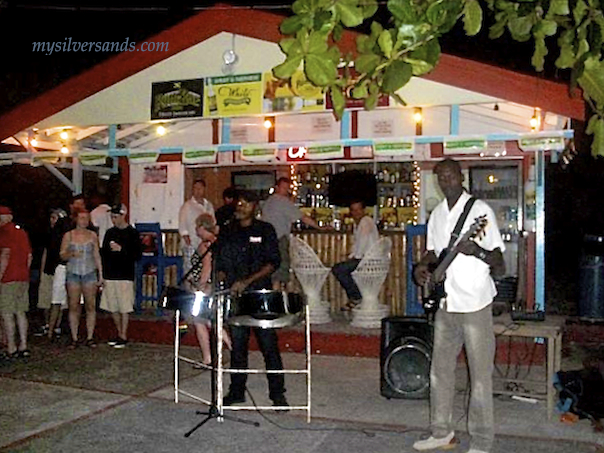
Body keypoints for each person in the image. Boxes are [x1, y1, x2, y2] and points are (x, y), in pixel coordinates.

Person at [412, 158, 505, 453]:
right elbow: (433, 251)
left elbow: (500, 265)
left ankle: (482, 441)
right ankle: (442, 432)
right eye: (441, 177)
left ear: (461, 177)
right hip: (446, 302)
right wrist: (421, 267)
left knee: (479, 377)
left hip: (475, 303)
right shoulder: (438, 214)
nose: (446, 181)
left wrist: (476, 250)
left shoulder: (480, 211)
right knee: (439, 371)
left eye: (450, 176)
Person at [215, 191, 287, 407]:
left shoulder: (265, 230)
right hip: (236, 296)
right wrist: (221, 279)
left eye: (246, 203)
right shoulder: (228, 231)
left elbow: (273, 262)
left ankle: (277, 393)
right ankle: (236, 391)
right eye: (239, 202)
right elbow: (222, 262)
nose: (241, 206)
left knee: (269, 346)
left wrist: (247, 281)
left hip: (259, 295)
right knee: (238, 347)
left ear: (255, 206)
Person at [261, 177, 325, 289]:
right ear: (277, 187)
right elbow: (303, 217)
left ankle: (271, 297)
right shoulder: (283, 201)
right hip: (279, 239)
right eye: (284, 188)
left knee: (269, 270)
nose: (286, 191)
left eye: (287, 188)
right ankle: (277, 299)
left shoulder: (268, 201)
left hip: (266, 240)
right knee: (280, 271)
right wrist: (319, 227)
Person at [184, 213, 231, 365]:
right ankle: (229, 348)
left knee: (200, 321)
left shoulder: (206, 245)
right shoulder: (215, 241)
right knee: (211, 320)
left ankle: (209, 357)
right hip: (213, 285)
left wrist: (201, 286)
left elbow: (207, 266)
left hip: (205, 286)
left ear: (202, 227)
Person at [100, 204, 142, 349]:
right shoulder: (109, 232)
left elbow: (137, 255)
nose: (113, 219)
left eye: (116, 216)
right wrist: (103, 275)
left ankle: (123, 334)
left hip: (125, 274)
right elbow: (103, 254)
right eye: (112, 216)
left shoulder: (132, 233)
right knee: (113, 306)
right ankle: (119, 332)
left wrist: (122, 249)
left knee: (124, 306)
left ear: (123, 216)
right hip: (110, 274)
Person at [60, 209, 103, 349]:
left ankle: (90, 337)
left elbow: (97, 255)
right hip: (73, 272)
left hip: (89, 272)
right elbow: (62, 255)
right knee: (73, 305)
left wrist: (100, 275)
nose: (84, 221)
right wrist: (71, 253)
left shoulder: (92, 235)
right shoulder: (69, 235)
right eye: (82, 218)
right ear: (76, 219)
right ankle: (74, 337)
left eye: (86, 218)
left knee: (90, 305)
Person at [332, 199, 379, 310]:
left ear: (363, 210)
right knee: (341, 268)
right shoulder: (360, 223)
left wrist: (354, 257)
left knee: (338, 269)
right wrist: (351, 256)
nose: (356, 213)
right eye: (354, 210)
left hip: (367, 260)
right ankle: (356, 296)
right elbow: (358, 245)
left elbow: (362, 242)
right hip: (366, 259)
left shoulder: (365, 221)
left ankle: (356, 297)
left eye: (358, 210)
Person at [0, 206, 32, 358]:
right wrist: (24, 271)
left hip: (8, 278)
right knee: (21, 311)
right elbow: (30, 256)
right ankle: (23, 345)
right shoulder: (22, 232)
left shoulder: (4, 232)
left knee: (7, 312)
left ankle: (11, 346)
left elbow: (5, 255)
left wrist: (0, 276)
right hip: (23, 277)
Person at [37, 208, 69, 341]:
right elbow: (45, 252)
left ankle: (56, 325)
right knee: (45, 299)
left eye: (54, 218)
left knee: (59, 300)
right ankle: (47, 324)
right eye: (51, 217)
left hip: (60, 269)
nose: (52, 221)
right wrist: (42, 270)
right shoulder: (48, 234)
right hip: (48, 270)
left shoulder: (65, 235)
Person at [178, 179, 215, 271]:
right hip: (192, 243)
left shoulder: (209, 205)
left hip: (205, 244)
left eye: (200, 188)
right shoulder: (187, 206)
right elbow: (182, 225)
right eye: (195, 188)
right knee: (190, 270)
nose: (198, 190)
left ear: (204, 189)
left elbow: (213, 222)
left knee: (204, 269)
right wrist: (187, 240)